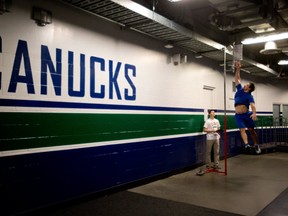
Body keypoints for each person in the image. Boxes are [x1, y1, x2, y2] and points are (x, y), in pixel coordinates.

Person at [234, 61, 261, 154]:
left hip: (247, 115)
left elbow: (253, 105)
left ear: (249, 88)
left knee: (251, 130)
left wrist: (254, 113)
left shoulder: (249, 96)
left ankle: (256, 144)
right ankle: (246, 144)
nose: (245, 84)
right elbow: (237, 79)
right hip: (238, 116)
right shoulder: (239, 90)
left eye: (247, 85)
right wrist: (238, 69)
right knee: (242, 129)